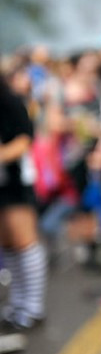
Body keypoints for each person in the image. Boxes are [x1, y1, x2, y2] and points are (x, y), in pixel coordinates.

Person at [0, 73, 47, 330]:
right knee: (9, 245)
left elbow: (25, 138)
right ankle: (18, 304)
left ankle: (33, 307)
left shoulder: (9, 100)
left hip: (16, 181)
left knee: (25, 242)